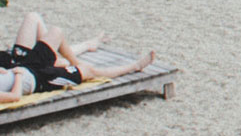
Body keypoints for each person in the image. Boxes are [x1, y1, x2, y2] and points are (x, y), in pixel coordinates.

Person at [1, 13, 156, 103]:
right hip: (40, 78)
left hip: (21, 63)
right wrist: (19, 75)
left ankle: (75, 58)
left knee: (53, 29)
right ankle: (135, 66)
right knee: (89, 71)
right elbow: (15, 97)